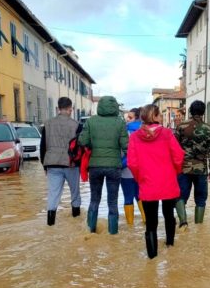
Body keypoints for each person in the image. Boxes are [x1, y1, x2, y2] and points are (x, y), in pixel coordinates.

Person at [127, 104, 184, 259]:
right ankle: (170, 246)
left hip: (147, 183)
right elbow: (178, 156)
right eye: (159, 115)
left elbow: (132, 163)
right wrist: (175, 172)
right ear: (156, 116)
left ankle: (152, 258)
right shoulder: (167, 134)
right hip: (167, 182)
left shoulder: (134, 137)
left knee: (151, 223)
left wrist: (141, 178)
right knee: (169, 215)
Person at [78, 96, 129, 235]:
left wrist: (92, 144)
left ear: (99, 106)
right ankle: (113, 234)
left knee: (95, 199)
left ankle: (90, 231)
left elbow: (82, 141)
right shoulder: (120, 122)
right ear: (115, 107)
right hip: (114, 167)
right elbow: (126, 146)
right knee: (112, 201)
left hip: (95, 166)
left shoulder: (91, 121)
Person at [174, 100, 210, 229]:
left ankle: (183, 222)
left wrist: (174, 168)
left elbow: (174, 148)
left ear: (190, 111)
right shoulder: (208, 129)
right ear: (203, 112)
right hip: (201, 170)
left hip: (183, 168)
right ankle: (199, 227)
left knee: (180, 196)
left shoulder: (180, 127)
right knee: (200, 198)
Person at [40, 97, 82, 226]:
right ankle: (76, 221)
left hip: (52, 163)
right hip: (71, 164)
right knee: (75, 193)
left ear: (58, 108)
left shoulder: (47, 124)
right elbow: (80, 147)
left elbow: (43, 146)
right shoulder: (76, 125)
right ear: (70, 109)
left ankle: (50, 224)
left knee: (53, 194)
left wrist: (44, 165)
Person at [121, 107, 146, 225]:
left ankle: (130, 226)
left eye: (129, 117)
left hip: (126, 168)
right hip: (142, 169)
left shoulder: (125, 131)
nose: (127, 120)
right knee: (140, 195)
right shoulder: (146, 130)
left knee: (128, 197)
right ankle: (146, 221)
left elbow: (122, 150)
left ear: (136, 117)